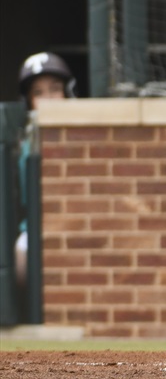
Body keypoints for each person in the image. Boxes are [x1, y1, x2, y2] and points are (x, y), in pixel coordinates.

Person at [10, 52, 75, 293]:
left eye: (54, 89)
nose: (47, 98)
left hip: (76, 222)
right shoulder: (24, 139)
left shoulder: (83, 136)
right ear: (28, 100)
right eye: (38, 93)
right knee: (20, 262)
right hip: (35, 226)